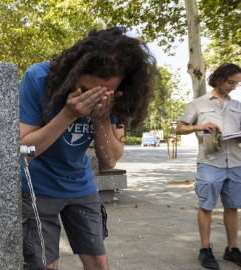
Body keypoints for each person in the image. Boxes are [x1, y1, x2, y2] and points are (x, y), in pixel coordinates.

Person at [19, 27, 158, 270]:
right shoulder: (38, 78)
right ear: (72, 73)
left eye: (104, 94)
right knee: (44, 265)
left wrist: (102, 117)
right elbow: (22, 153)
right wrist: (68, 115)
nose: (95, 98)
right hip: (36, 187)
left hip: (80, 184)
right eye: (86, 90)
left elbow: (109, 162)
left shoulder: (119, 96)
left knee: (98, 263)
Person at [175, 63, 241, 269]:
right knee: (206, 206)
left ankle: (232, 250)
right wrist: (200, 126)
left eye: (237, 84)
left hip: (237, 162)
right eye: (231, 82)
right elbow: (179, 129)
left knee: (232, 207)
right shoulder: (197, 104)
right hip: (210, 163)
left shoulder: (238, 106)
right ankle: (205, 250)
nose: (233, 87)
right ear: (219, 79)